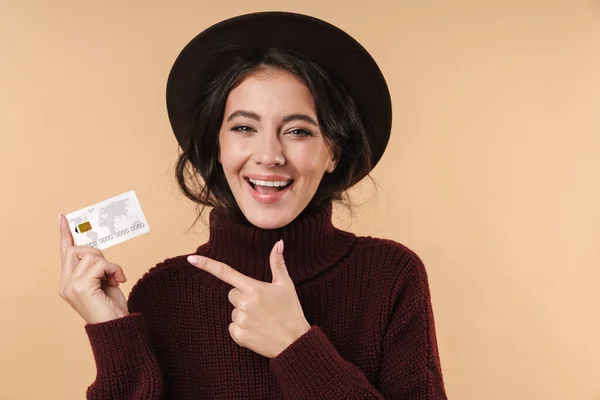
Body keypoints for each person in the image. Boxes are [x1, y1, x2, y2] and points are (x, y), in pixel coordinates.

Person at [58, 11, 447, 399]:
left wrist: (296, 347)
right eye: (244, 127)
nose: (269, 155)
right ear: (218, 147)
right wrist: (113, 334)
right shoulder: (162, 295)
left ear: (333, 152)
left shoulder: (391, 276)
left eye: (298, 131)